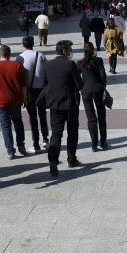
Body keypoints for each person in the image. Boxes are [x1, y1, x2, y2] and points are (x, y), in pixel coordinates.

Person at [39, 40, 83, 176]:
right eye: (69, 50)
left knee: (56, 134)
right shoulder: (70, 64)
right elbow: (79, 84)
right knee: (72, 132)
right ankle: (71, 159)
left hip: (54, 105)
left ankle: (53, 162)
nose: (70, 52)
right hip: (70, 104)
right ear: (64, 51)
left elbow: (45, 84)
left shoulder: (47, 65)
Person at [0, 45, 29, 160]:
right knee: (18, 122)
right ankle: (21, 145)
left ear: (0, 54)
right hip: (15, 100)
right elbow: (23, 86)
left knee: (5, 126)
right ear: (9, 54)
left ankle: (10, 151)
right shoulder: (16, 66)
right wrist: (25, 100)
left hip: (1, 102)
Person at [15, 36, 48, 153]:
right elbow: (46, 72)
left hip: (28, 91)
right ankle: (45, 139)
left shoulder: (19, 58)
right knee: (42, 115)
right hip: (41, 90)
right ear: (33, 44)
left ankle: (36, 143)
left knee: (32, 117)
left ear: (23, 44)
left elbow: (18, 76)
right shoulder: (41, 55)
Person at [78, 42, 108, 152]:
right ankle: (103, 141)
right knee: (101, 115)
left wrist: (81, 87)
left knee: (91, 118)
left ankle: (94, 144)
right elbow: (103, 76)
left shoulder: (80, 63)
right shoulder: (98, 61)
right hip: (97, 90)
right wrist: (103, 87)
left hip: (86, 92)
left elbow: (77, 78)